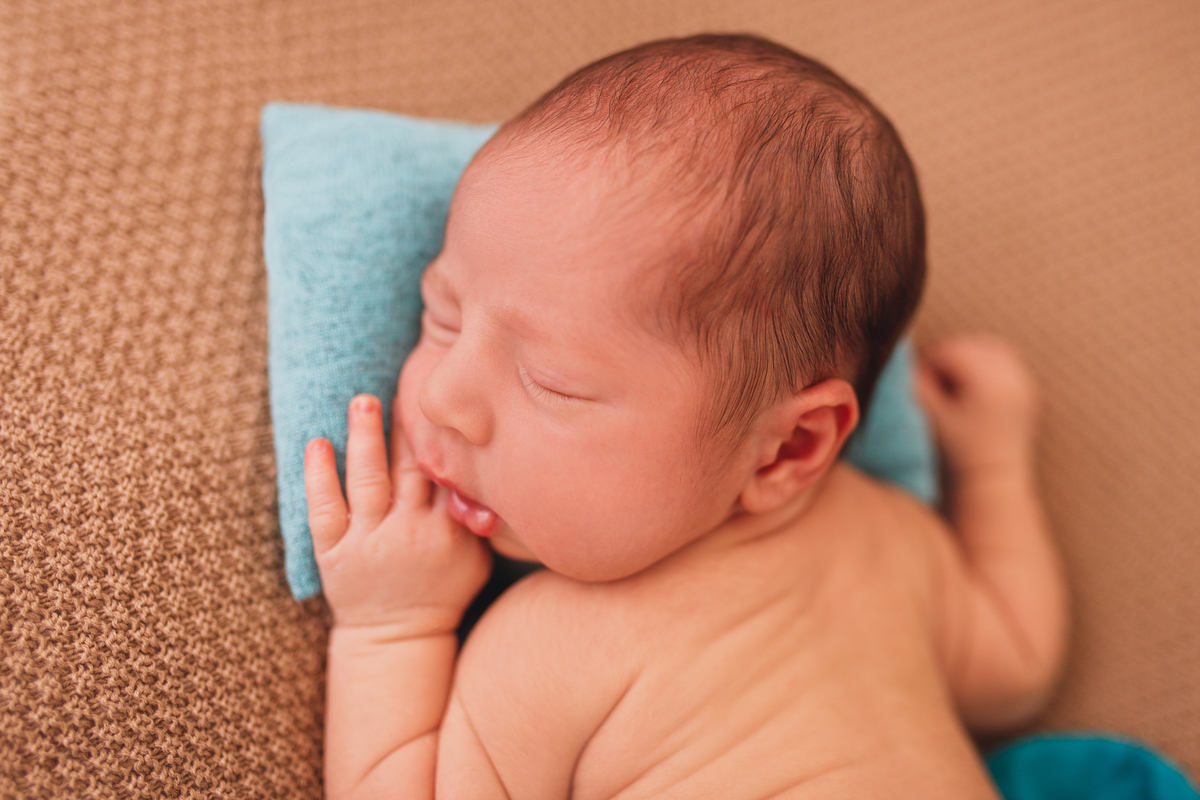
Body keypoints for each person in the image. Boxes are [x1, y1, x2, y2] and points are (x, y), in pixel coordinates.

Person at [303, 34, 1069, 798]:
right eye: (442, 315)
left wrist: (392, 625)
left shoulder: (554, 651)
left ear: (788, 448)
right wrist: (993, 465)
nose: (442, 397)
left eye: (552, 382)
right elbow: (1021, 665)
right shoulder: (893, 541)